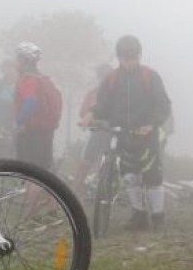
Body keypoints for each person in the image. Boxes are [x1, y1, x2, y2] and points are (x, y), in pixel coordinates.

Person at [85, 35, 171, 232]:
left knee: (152, 176)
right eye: (124, 58)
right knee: (130, 176)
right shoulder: (112, 79)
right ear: (119, 58)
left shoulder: (150, 76)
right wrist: (91, 114)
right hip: (122, 133)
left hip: (148, 133)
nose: (129, 62)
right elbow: (103, 105)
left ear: (139, 56)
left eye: (132, 58)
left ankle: (158, 218)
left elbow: (163, 104)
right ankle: (138, 215)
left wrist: (152, 124)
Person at [14, 41, 62, 170]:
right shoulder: (43, 79)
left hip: (31, 131)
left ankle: (30, 190)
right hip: (46, 130)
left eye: (18, 59)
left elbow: (30, 101)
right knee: (43, 172)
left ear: (23, 60)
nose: (16, 62)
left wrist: (19, 123)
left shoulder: (28, 79)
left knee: (29, 172)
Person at [73, 63, 113, 195]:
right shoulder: (93, 93)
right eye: (102, 76)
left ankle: (107, 190)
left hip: (113, 133)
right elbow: (83, 112)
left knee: (109, 162)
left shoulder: (119, 92)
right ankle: (76, 191)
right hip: (96, 131)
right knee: (86, 161)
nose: (104, 78)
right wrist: (89, 118)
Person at [0, 42, 18, 157]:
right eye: (6, 69)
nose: (9, 71)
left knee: (13, 147)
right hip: (0, 120)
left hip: (15, 121)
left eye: (11, 69)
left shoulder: (20, 86)